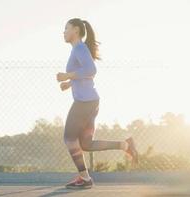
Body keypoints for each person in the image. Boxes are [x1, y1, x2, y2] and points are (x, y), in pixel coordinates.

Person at [56, 18, 139, 190]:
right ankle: (125, 145)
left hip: (84, 102)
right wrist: (70, 84)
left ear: (76, 30)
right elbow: (86, 73)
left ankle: (85, 178)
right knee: (86, 144)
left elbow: (91, 70)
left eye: (66, 28)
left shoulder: (79, 48)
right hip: (91, 101)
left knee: (69, 138)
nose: (63, 32)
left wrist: (67, 76)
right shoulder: (79, 49)